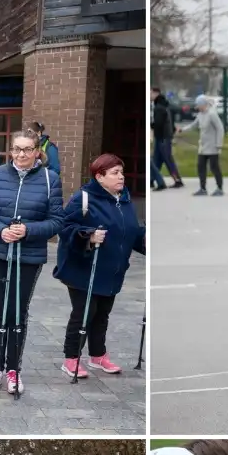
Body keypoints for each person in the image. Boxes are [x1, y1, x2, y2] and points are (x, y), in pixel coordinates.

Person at [0, 129, 65, 396]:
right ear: (10, 150)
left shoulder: (50, 179)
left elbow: (56, 221)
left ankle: (13, 369)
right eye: (16, 149)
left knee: (18, 311)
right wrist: (1, 231)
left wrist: (28, 231)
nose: (21, 154)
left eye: (27, 149)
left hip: (28, 255)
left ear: (37, 151)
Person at [54, 153, 145, 378]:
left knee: (102, 313)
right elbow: (65, 228)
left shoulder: (123, 199)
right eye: (115, 173)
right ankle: (71, 358)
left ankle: (97, 355)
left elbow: (131, 231)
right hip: (84, 268)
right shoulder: (83, 198)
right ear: (100, 176)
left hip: (112, 269)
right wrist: (89, 236)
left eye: (121, 172)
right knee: (84, 313)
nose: (121, 177)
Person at [149, 87, 184, 190]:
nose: (149, 96)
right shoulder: (164, 105)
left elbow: (159, 123)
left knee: (167, 159)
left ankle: (177, 180)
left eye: (150, 93)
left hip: (162, 137)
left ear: (156, 93)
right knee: (156, 159)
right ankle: (152, 180)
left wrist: (151, 125)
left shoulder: (159, 107)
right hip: (163, 136)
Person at [192, 96, 224, 196]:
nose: (197, 107)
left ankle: (219, 188)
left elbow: (220, 129)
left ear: (203, 104)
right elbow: (194, 125)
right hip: (203, 146)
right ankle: (203, 188)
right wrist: (181, 129)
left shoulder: (212, 114)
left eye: (198, 105)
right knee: (200, 166)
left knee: (214, 167)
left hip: (213, 146)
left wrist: (219, 144)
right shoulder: (200, 115)